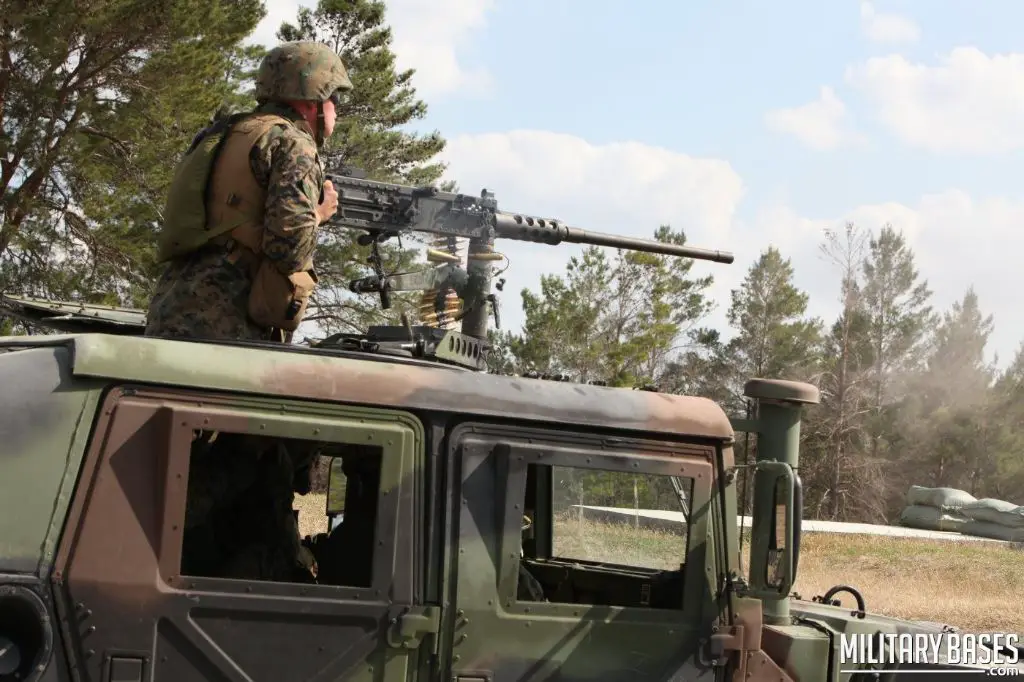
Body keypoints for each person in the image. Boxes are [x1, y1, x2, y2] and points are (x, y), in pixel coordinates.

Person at [145, 40, 352, 344]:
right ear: (312, 99)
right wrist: (318, 215)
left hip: (173, 303)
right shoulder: (293, 143)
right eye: (335, 97)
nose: (337, 109)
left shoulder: (224, 131)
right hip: (227, 320)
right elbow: (288, 248)